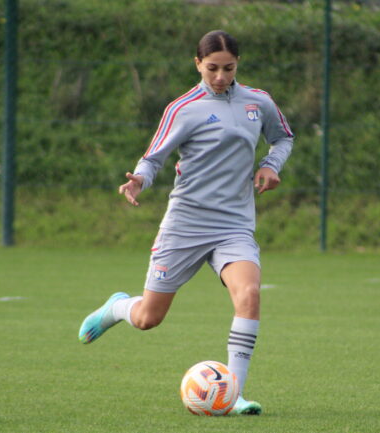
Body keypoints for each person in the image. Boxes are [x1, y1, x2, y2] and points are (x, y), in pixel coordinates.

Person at [78, 30, 294, 416]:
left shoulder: (258, 102)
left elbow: (283, 139)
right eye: (212, 68)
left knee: (249, 295)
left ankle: (234, 394)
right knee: (148, 319)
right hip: (186, 223)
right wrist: (139, 180)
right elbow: (154, 156)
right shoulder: (184, 107)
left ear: (237, 65)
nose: (220, 77)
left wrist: (269, 166)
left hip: (234, 223)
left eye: (229, 68)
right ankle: (116, 308)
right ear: (198, 64)